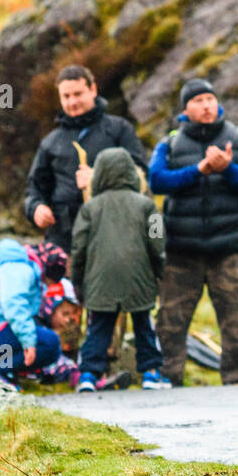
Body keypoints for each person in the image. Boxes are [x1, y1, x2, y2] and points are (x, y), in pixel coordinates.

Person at [149, 79, 238, 385]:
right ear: (185, 109)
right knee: (171, 322)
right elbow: (157, 180)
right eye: (198, 100)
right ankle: (168, 380)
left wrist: (229, 168)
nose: (206, 105)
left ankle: (237, 380)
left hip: (231, 249)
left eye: (210, 99)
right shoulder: (170, 144)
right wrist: (199, 170)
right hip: (181, 249)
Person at [71, 147, 170, 391]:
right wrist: (159, 271)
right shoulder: (147, 206)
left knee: (98, 328)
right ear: (133, 174)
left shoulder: (89, 208)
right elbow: (158, 242)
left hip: (99, 280)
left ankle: (88, 376)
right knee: (144, 324)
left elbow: (78, 248)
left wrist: (78, 281)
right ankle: (150, 373)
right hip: (139, 277)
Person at [24, 65, 149, 252]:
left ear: (93, 90)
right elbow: (34, 189)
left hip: (115, 236)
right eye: (66, 96)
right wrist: (36, 209)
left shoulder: (119, 129)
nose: (72, 102)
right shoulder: (50, 142)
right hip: (64, 241)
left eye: (78, 94)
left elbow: (141, 173)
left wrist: (98, 177)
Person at [0, 240, 77, 386]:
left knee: (41, 338)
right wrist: (29, 342)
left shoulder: (13, 268)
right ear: (46, 269)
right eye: (49, 281)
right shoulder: (20, 270)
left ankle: (4, 372)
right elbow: (14, 305)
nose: (47, 286)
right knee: (50, 342)